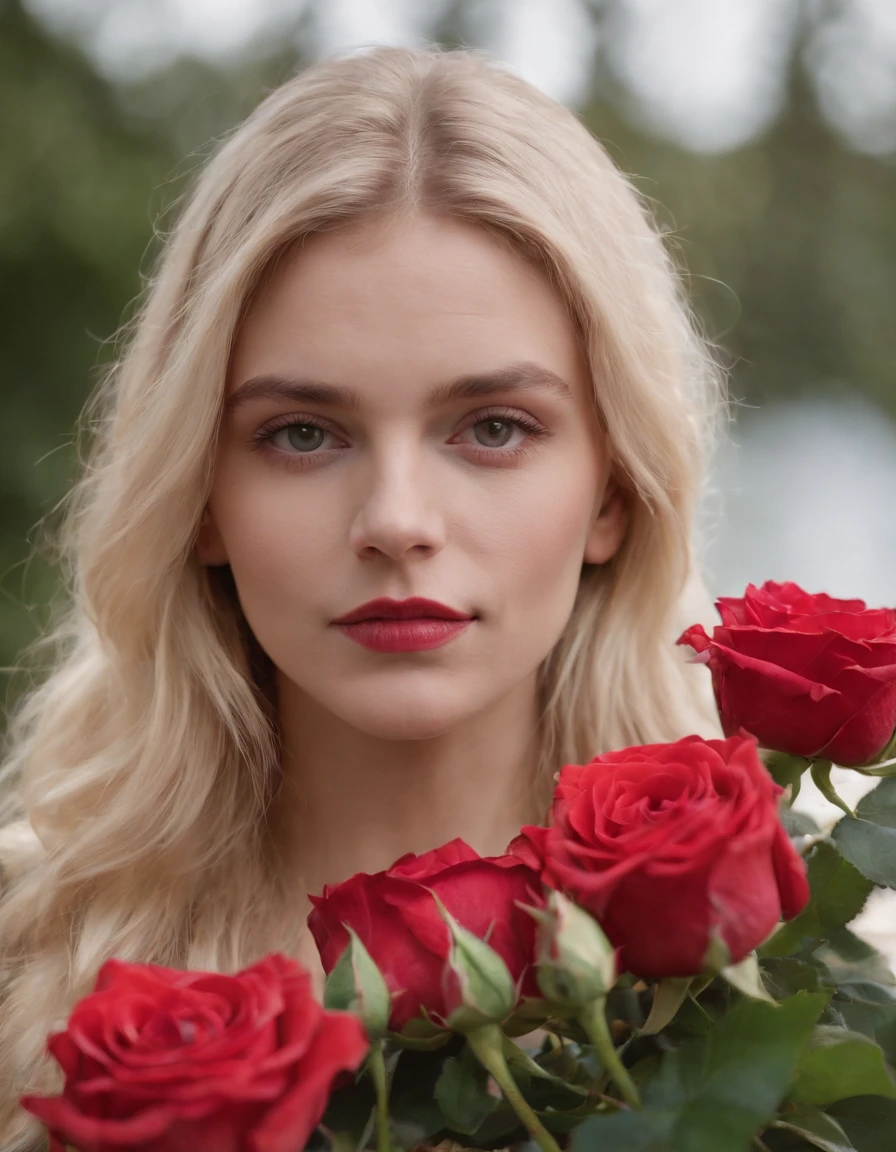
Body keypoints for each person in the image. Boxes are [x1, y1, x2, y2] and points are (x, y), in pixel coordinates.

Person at [0, 43, 726, 1149]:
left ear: (613, 492)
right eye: (301, 434)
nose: (395, 520)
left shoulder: (813, 974)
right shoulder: (18, 968)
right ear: (197, 494)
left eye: (492, 428)